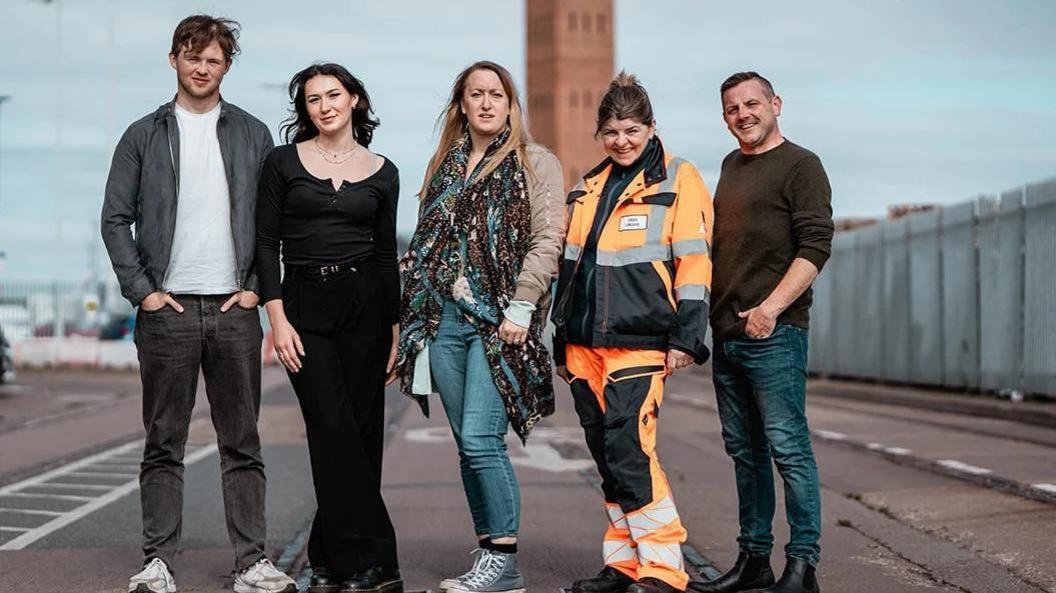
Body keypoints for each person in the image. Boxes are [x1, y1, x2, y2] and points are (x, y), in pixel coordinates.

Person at [100, 14, 296, 593]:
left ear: (226, 67)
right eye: (192, 56)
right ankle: (158, 562)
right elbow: (115, 219)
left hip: (236, 310)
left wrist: (259, 288)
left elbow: (272, 223)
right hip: (170, 312)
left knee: (243, 441)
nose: (201, 68)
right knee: (165, 442)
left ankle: (251, 563)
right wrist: (144, 293)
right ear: (174, 59)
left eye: (213, 59)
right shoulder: (142, 134)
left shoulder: (254, 134)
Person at [395, 60, 565, 593]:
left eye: (497, 94)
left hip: (499, 321)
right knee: (466, 444)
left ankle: (504, 560)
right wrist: (409, 326)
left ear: (511, 104)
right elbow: (424, 248)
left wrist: (521, 307)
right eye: (477, 94)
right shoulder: (443, 166)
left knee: (480, 440)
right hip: (442, 321)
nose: (487, 103)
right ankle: (489, 551)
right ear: (461, 105)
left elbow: (547, 238)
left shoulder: (536, 162)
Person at [552, 73, 714, 593]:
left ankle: (664, 568)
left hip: (640, 340)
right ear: (600, 133)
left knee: (630, 450)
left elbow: (694, 261)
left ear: (650, 127)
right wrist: (561, 340)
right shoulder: (588, 186)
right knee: (605, 454)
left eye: (632, 130)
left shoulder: (677, 179)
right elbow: (570, 271)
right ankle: (624, 562)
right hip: (583, 346)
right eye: (612, 132)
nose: (622, 141)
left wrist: (688, 337)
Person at [255, 64, 401, 593]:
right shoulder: (281, 163)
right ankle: (379, 557)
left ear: (356, 100)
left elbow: (387, 255)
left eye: (333, 94)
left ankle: (331, 558)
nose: (324, 105)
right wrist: (276, 316)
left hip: (367, 306)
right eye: (313, 99)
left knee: (361, 435)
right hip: (304, 307)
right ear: (305, 109)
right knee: (330, 426)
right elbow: (265, 243)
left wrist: (395, 327)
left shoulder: (384, 170)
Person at [688, 72, 833, 593]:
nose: (743, 114)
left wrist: (770, 308)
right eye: (732, 108)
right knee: (744, 453)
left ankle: (803, 566)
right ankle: (754, 562)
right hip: (728, 333)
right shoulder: (730, 165)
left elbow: (815, 247)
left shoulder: (802, 165)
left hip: (774, 332)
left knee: (788, 448)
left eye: (752, 104)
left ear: (776, 103)